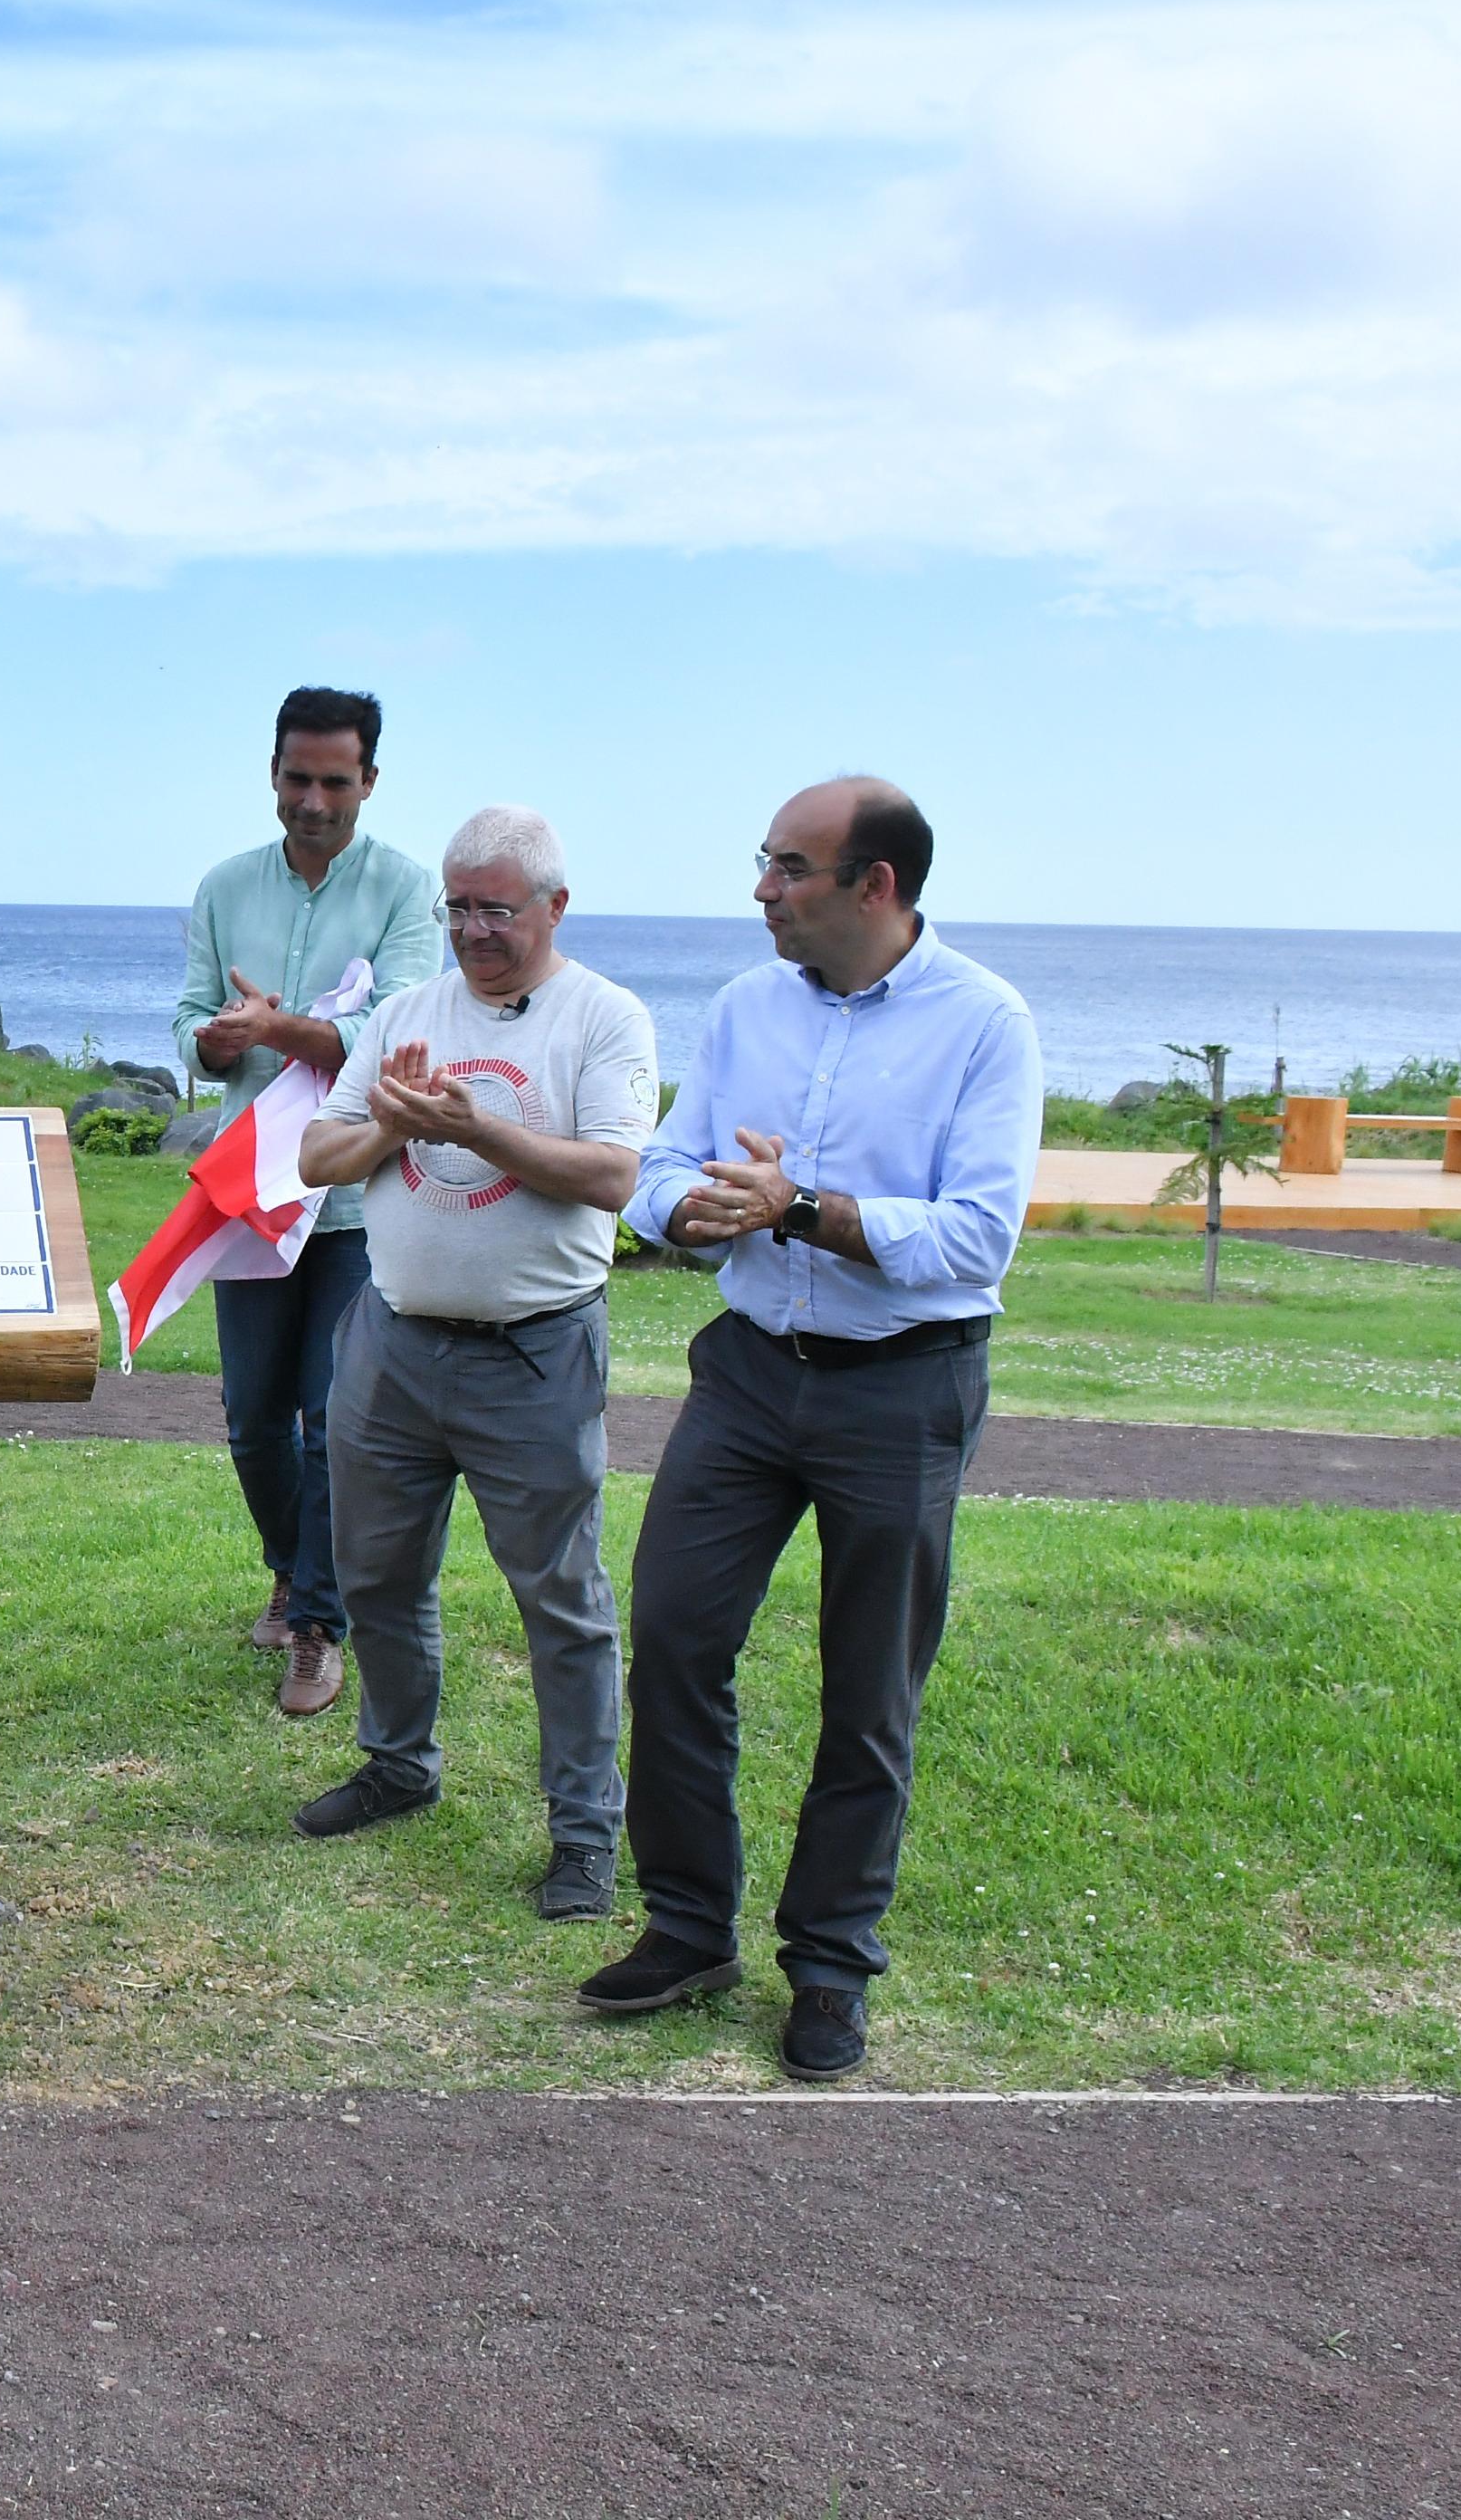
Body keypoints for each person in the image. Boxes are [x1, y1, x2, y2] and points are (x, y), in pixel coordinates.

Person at [578, 778, 1039, 2084]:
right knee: (671, 1633)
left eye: (789, 868)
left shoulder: (986, 1025)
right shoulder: (742, 1008)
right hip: (746, 1374)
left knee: (870, 1687)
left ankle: (831, 1967)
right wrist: (699, 1213)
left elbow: (976, 1238)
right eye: (766, 864)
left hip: (902, 1387)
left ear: (873, 887)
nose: (764, 890)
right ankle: (686, 1926)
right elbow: (661, 1173)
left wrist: (801, 1209)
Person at [285, 808, 659, 1921]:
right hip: (393, 1344)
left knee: (563, 1601)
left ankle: (586, 1832)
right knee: (379, 1577)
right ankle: (399, 1764)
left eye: (498, 906)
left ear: (554, 906)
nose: (475, 928)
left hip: (533, 1354)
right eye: (458, 905)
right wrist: (397, 1127)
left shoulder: (605, 1018)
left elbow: (610, 1176)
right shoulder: (408, 1012)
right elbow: (316, 1157)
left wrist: (474, 1128)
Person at [176, 686, 444, 1717]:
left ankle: (319, 1625)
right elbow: (194, 1019)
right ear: (273, 775)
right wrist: (215, 1041)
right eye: (298, 777)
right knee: (251, 1418)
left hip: (350, 1198)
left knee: (336, 1417)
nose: (315, 799)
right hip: (248, 1192)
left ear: (369, 781)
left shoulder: (406, 889)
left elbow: (391, 1034)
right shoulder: (223, 886)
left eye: (337, 780)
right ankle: (291, 1569)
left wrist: (278, 1029)